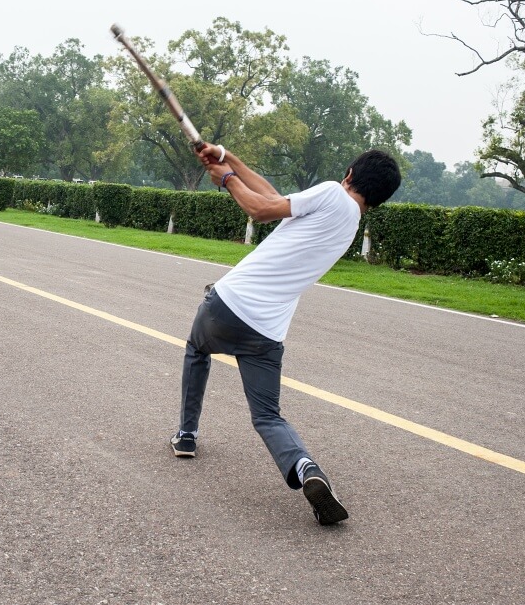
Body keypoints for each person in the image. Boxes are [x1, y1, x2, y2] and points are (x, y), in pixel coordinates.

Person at [172, 143, 401, 526]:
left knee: (197, 349)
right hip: (267, 332)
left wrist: (226, 178)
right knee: (267, 416)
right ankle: (306, 468)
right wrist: (228, 158)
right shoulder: (348, 224)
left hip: (227, 305)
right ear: (379, 197)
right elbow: (274, 198)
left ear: (348, 174)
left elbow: (260, 210)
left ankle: (186, 435)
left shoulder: (331, 192)